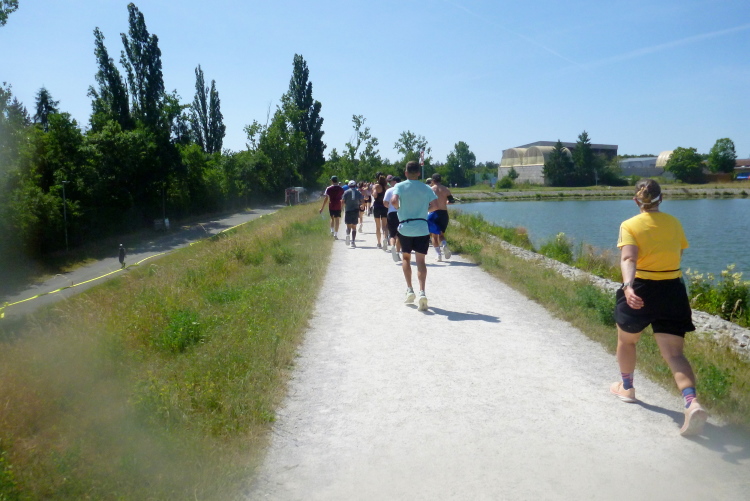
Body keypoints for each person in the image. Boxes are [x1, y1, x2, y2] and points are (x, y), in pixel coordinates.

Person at [610, 178, 707, 436]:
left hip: (641, 289)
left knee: (627, 341)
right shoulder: (674, 223)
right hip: (672, 290)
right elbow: (678, 255)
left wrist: (628, 287)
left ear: (636, 200)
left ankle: (627, 388)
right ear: (661, 199)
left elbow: (628, 258)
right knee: (674, 354)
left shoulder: (629, 225)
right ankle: (691, 403)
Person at [392, 161, 437, 311]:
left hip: (405, 227)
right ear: (418, 173)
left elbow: (394, 201)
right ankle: (422, 292)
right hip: (422, 227)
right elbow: (436, 205)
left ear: (405, 173)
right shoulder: (426, 188)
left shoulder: (400, 186)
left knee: (406, 258)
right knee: (421, 261)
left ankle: (410, 289)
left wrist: (399, 208)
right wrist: (425, 209)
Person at [427, 173, 454, 262]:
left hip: (434, 213)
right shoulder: (446, 189)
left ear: (433, 180)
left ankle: (438, 255)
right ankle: (444, 244)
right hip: (444, 214)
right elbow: (451, 201)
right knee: (441, 235)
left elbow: (427, 202)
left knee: (434, 236)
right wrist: (445, 201)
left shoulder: (431, 189)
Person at [383, 175, 402, 263]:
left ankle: (392, 246)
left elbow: (385, 202)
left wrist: (389, 207)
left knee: (392, 234)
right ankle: (397, 253)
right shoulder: (402, 190)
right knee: (399, 234)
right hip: (401, 213)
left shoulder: (389, 190)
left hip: (391, 213)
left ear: (394, 182)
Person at [342, 180, 363, 248]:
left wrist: (342, 207)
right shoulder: (358, 192)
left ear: (349, 185)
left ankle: (348, 235)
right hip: (355, 210)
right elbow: (362, 200)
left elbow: (343, 201)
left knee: (348, 226)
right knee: (354, 227)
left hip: (348, 210)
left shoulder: (346, 192)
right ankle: (353, 241)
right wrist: (361, 204)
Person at [372, 174, 389, 250]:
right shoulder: (387, 187)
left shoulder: (376, 186)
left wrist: (374, 192)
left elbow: (375, 195)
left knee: (377, 226)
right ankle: (385, 238)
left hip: (377, 207)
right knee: (384, 226)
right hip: (384, 207)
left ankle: (379, 243)